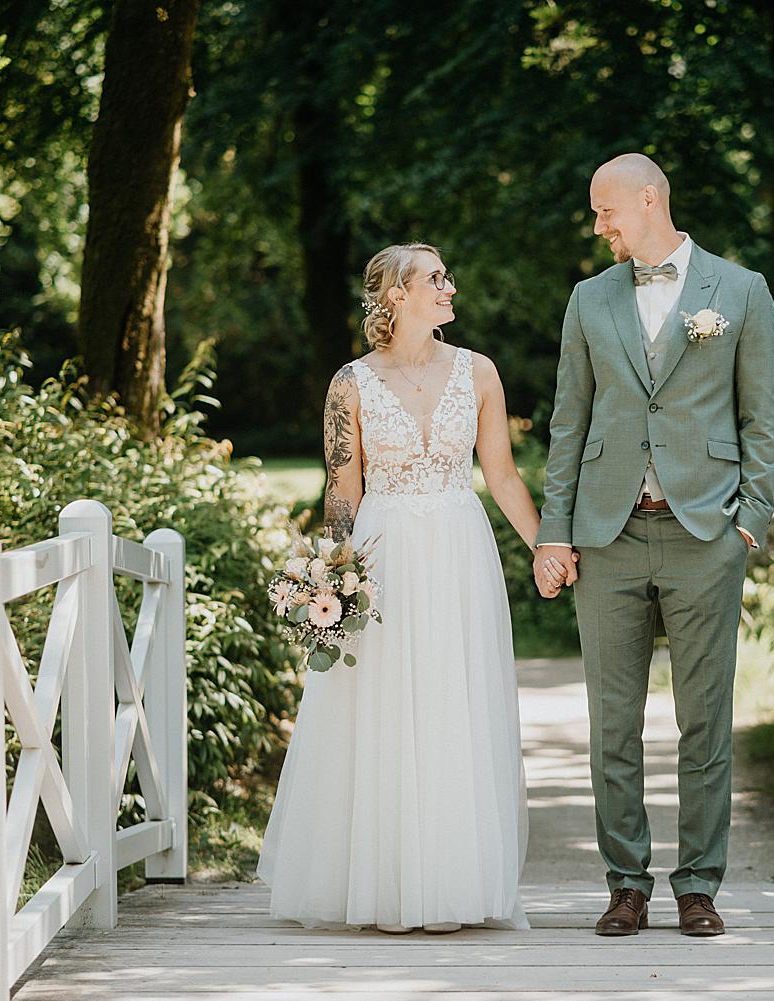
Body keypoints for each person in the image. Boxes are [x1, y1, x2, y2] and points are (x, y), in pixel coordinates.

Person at [532, 154, 774, 937]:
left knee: (704, 719)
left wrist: (752, 518)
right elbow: (569, 421)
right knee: (613, 721)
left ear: (649, 200)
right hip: (606, 534)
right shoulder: (588, 297)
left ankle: (700, 884)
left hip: (706, 531)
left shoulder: (740, 291)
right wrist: (555, 529)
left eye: (606, 210)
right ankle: (626, 884)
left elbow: (761, 419)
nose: (598, 225)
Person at [257, 243, 535, 934]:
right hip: (380, 557)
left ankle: (452, 878)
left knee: (451, 701)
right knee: (378, 708)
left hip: (458, 552)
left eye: (445, 277)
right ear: (396, 294)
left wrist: (547, 549)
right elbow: (341, 487)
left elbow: (500, 475)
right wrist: (330, 578)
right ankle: (381, 881)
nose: (450, 286)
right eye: (435, 279)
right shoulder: (349, 383)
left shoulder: (479, 372)